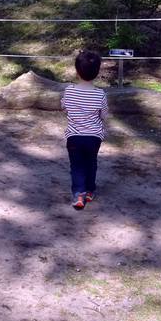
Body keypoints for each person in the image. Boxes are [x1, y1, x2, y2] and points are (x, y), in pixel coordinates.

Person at [61, 50, 108, 210]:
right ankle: (89, 190)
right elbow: (103, 115)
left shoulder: (69, 91)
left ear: (76, 71)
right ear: (97, 72)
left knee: (77, 166)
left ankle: (78, 194)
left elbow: (64, 107)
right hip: (94, 138)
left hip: (74, 137)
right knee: (91, 163)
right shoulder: (100, 94)